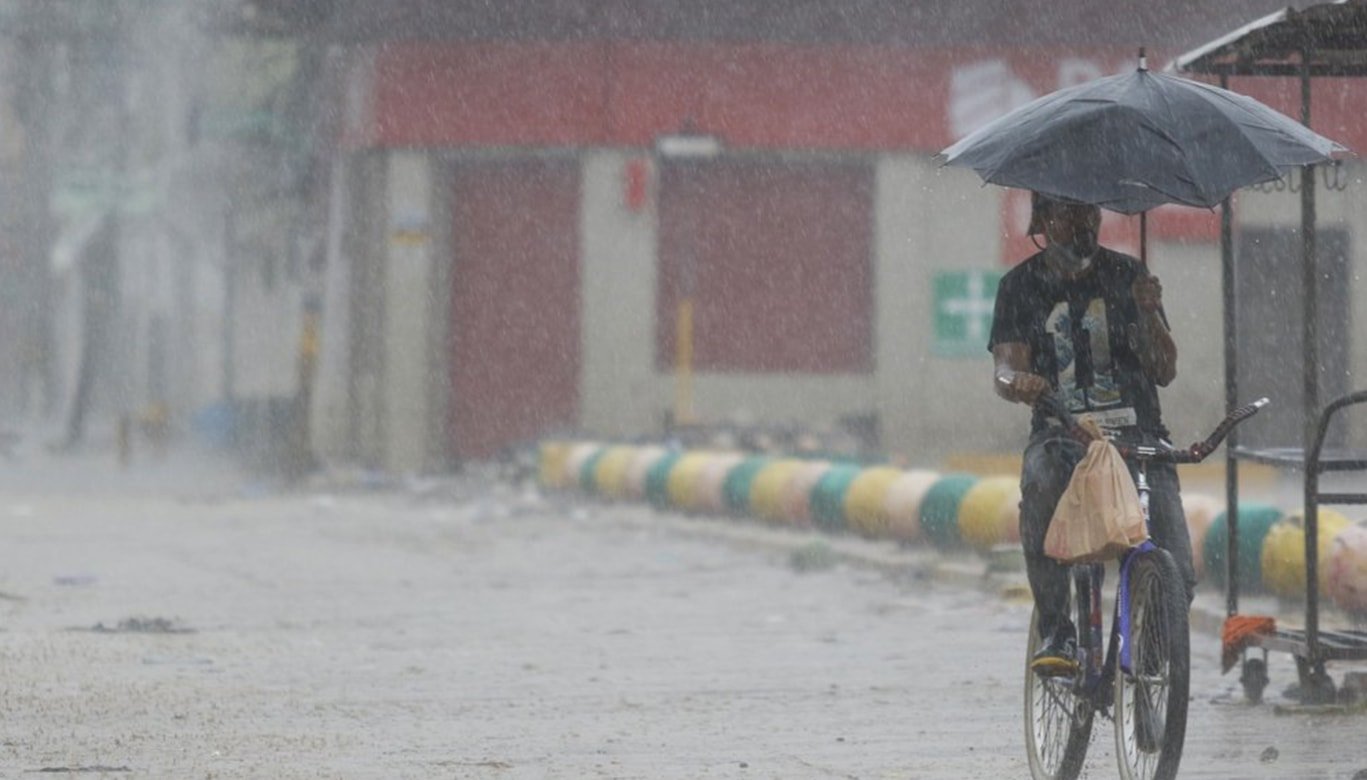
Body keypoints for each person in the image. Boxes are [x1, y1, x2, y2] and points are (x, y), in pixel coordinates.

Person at [988, 192, 1193, 677]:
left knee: (1179, 571)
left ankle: (1152, 660)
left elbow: (1164, 371)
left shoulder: (1130, 276)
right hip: (1062, 437)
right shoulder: (1018, 286)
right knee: (1039, 486)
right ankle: (1058, 628)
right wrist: (1016, 383)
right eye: (1068, 212)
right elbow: (1004, 368)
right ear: (1041, 220)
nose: (1083, 221)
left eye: (1090, 211)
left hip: (1138, 434)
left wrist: (1149, 313)